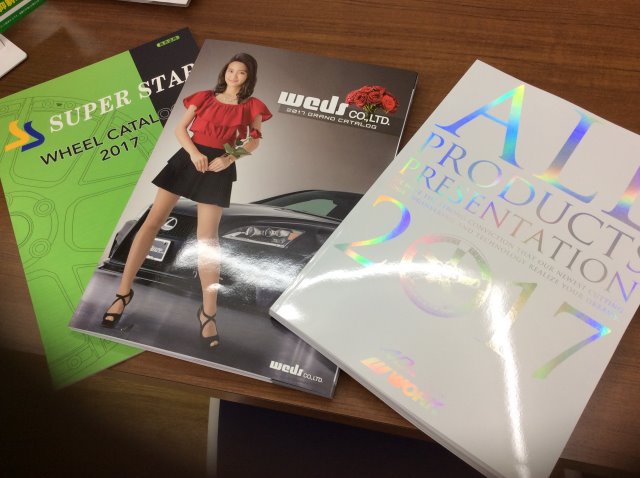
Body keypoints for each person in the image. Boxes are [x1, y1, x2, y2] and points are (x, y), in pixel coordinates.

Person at [101, 53, 272, 348]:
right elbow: (180, 129)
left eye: (241, 72)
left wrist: (229, 158)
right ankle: (122, 294)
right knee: (151, 223)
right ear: (225, 71)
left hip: (218, 167)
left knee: (208, 239)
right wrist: (194, 154)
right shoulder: (204, 97)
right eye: (230, 70)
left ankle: (208, 313)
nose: (233, 76)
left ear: (249, 77)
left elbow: (254, 140)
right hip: (188, 159)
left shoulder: (253, 106)